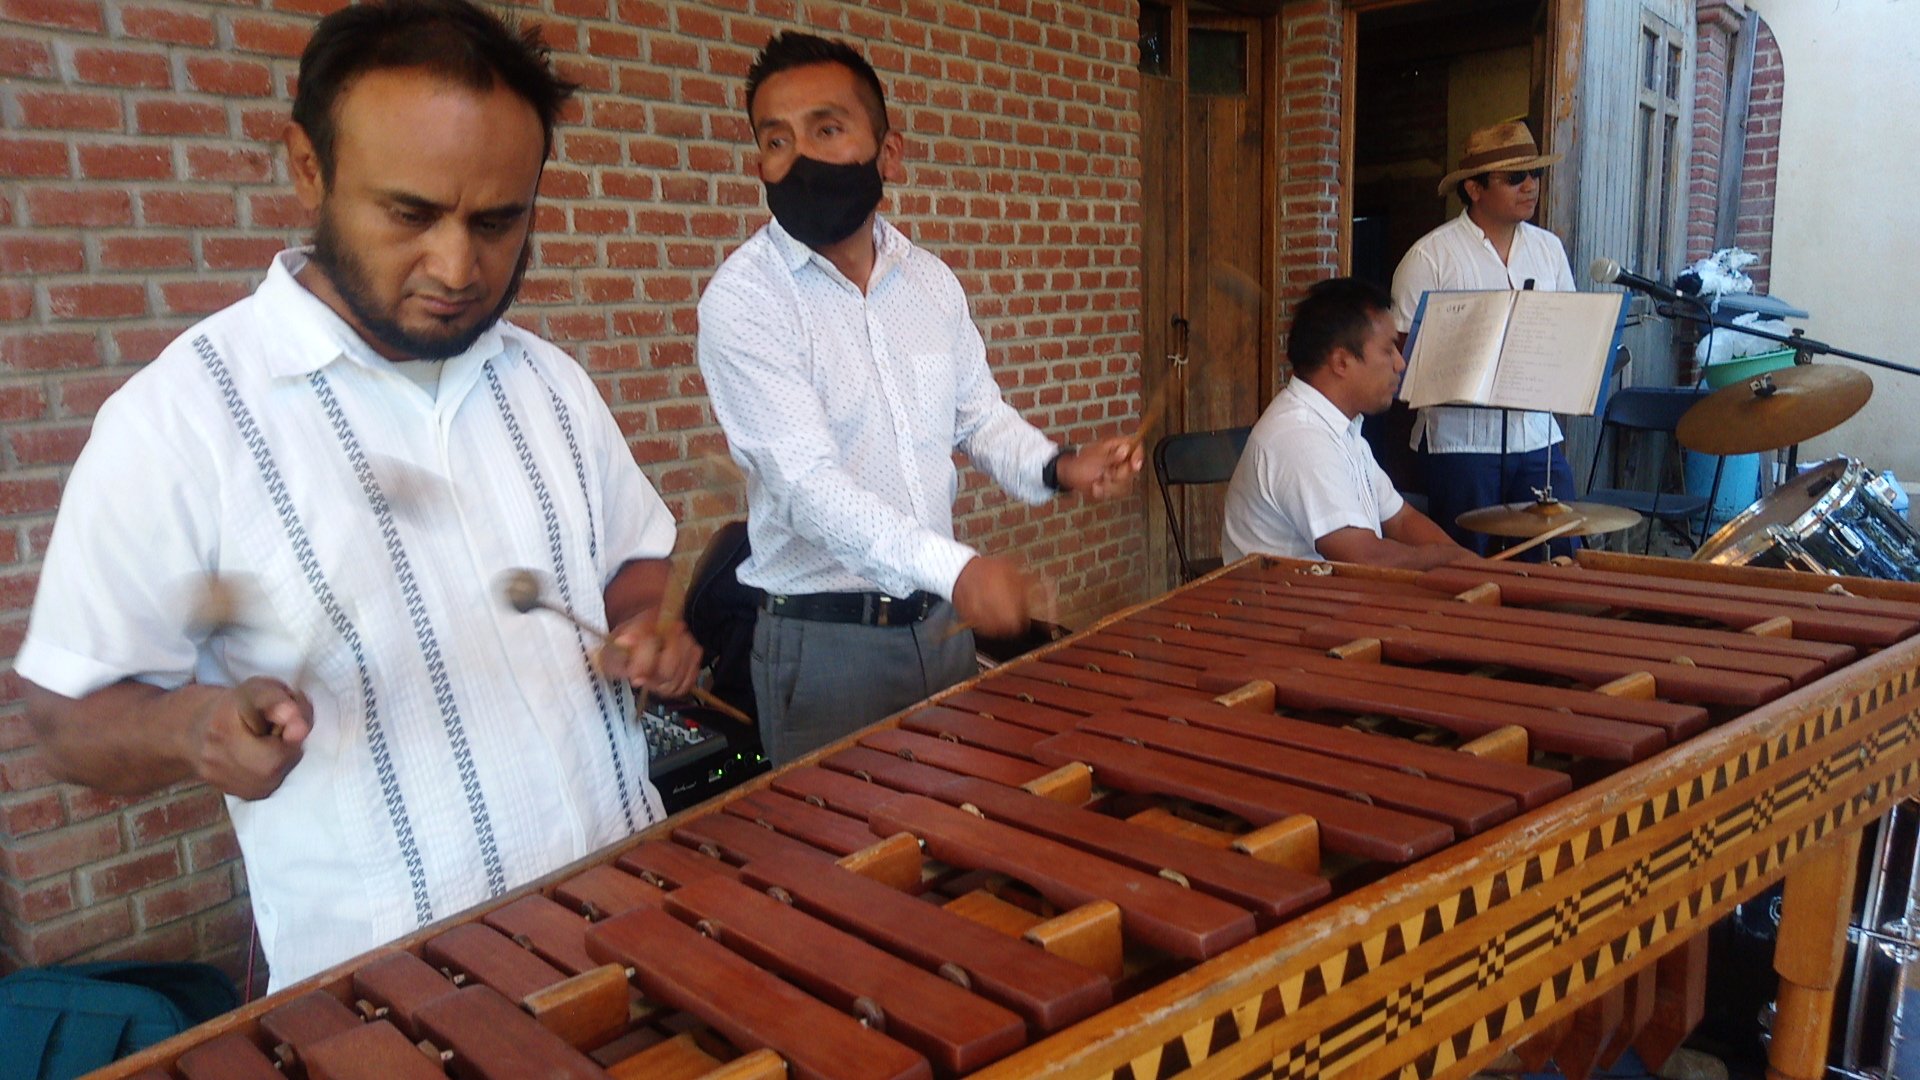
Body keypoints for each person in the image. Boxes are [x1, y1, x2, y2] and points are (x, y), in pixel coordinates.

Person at [18, 0, 699, 990]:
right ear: (307, 167)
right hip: (402, 994)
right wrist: (192, 730)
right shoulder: (179, 420)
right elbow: (62, 716)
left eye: (498, 221)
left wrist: (642, 625)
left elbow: (631, 553)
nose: (457, 268)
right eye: (411, 214)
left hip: (628, 914)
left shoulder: (552, 383)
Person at [696, 32, 1142, 767]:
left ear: (888, 153)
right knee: (844, 872)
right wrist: (959, 569)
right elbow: (808, 489)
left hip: (938, 629)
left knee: (953, 839)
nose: (799, 157)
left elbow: (978, 413)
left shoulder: (930, 281)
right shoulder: (746, 301)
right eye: (776, 140)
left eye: (828, 129)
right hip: (824, 644)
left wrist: (1059, 466)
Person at [1390, 120, 1580, 555]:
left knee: (1556, 558)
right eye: (1515, 177)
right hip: (1461, 444)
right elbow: (1401, 358)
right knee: (1465, 566)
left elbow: (1566, 332)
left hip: (1537, 438)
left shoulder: (1549, 249)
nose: (1530, 185)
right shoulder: (1429, 257)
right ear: (1474, 189)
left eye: (1536, 174)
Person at [1222, 278, 1468, 570]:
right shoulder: (1299, 437)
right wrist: (1451, 559)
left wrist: (1472, 565)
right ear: (1341, 362)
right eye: (1389, 350)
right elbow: (1365, 557)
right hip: (1292, 610)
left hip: (1328, 602)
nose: (1400, 364)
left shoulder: (1343, 429)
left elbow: (1402, 520)